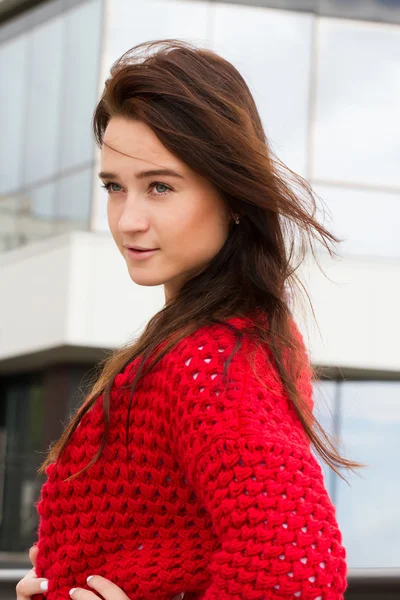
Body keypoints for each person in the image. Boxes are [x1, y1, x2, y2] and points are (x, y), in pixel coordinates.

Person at [17, 39, 362, 600]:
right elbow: (189, 540)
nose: (127, 220)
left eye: (160, 187)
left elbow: (297, 573)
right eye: (113, 187)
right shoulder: (229, 337)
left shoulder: (212, 357)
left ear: (231, 195)